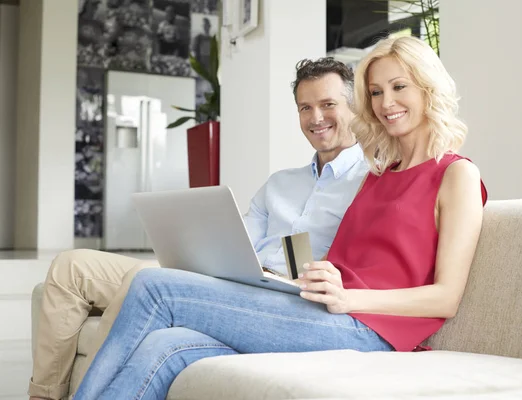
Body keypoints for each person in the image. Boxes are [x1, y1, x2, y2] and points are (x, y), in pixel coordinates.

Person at [72, 36, 488, 400]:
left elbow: (446, 297)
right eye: (376, 92)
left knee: (153, 285)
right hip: (321, 311)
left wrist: (349, 299)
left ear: (428, 89)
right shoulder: (379, 174)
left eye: (400, 87)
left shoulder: (456, 174)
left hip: (370, 331)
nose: (386, 103)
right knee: (165, 343)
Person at [28, 57, 366, 400]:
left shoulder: (369, 181)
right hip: (224, 277)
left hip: (277, 298)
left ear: (354, 107)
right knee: (71, 267)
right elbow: (239, 240)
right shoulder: (280, 183)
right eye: (305, 107)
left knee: (145, 284)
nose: (316, 117)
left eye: (328, 105)